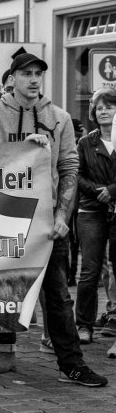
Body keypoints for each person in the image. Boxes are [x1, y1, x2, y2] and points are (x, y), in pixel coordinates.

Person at [0, 52, 107, 387]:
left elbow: (68, 168)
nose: (34, 79)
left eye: (39, 73)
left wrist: (61, 215)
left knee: (57, 296)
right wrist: (23, 149)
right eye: (27, 74)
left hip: (44, 224)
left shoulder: (59, 117)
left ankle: (72, 365)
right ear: (12, 78)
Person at [75, 89, 116, 351]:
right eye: (99, 107)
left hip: (115, 207)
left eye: (109, 106)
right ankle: (84, 325)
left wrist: (111, 191)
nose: (102, 111)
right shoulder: (86, 143)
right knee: (89, 270)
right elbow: (76, 175)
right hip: (91, 210)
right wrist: (96, 191)